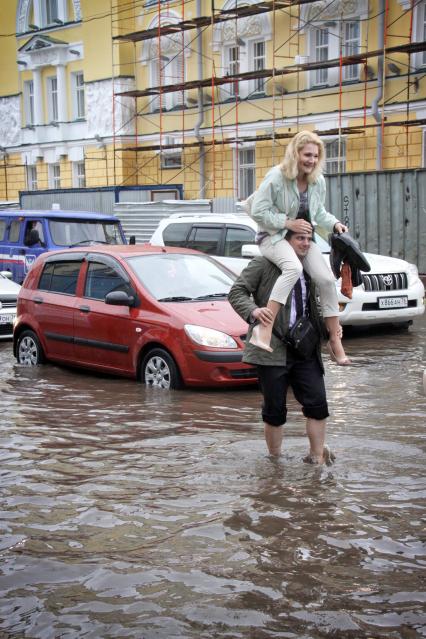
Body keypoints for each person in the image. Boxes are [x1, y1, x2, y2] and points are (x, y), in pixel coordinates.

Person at [228, 228, 335, 464]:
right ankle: (275, 462)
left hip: (306, 349)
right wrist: (253, 311)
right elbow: (236, 292)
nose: (306, 244)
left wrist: (331, 331)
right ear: (285, 242)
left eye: (309, 239)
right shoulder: (263, 264)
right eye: (300, 238)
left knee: (318, 404)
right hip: (271, 349)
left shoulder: (311, 268)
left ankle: (316, 459)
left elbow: (316, 305)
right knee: (275, 412)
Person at [246, 130, 350, 365]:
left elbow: (319, 213)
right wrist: (287, 222)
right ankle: (264, 328)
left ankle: (335, 339)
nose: (311, 161)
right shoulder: (276, 177)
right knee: (292, 268)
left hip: (303, 238)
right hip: (273, 236)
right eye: (307, 155)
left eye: (315, 156)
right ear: (296, 153)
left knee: (325, 279)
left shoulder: (317, 180)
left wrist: (334, 224)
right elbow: (258, 212)